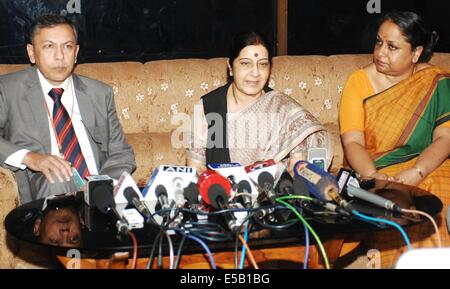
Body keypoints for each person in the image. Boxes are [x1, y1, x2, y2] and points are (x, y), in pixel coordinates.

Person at [339, 11, 450, 265]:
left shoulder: (436, 81)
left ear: (416, 53)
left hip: (427, 165)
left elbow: (444, 138)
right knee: (397, 199)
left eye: (392, 47)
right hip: (377, 171)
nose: (380, 53)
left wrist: (417, 171)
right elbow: (353, 143)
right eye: (378, 42)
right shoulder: (358, 83)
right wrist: (373, 176)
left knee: (440, 185)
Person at [0, 14, 136, 204]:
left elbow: (121, 153)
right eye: (49, 46)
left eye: (67, 46)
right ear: (31, 53)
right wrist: (31, 158)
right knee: (57, 180)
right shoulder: (8, 89)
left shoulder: (99, 93)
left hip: (97, 188)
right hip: (45, 186)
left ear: (76, 52)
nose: (59, 56)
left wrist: (100, 186)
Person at [187, 31, 332, 174]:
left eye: (262, 64)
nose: (255, 73)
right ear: (230, 67)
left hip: (276, 195)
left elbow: (297, 169)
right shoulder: (207, 107)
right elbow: (196, 169)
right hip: (220, 194)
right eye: (245, 63)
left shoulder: (283, 108)